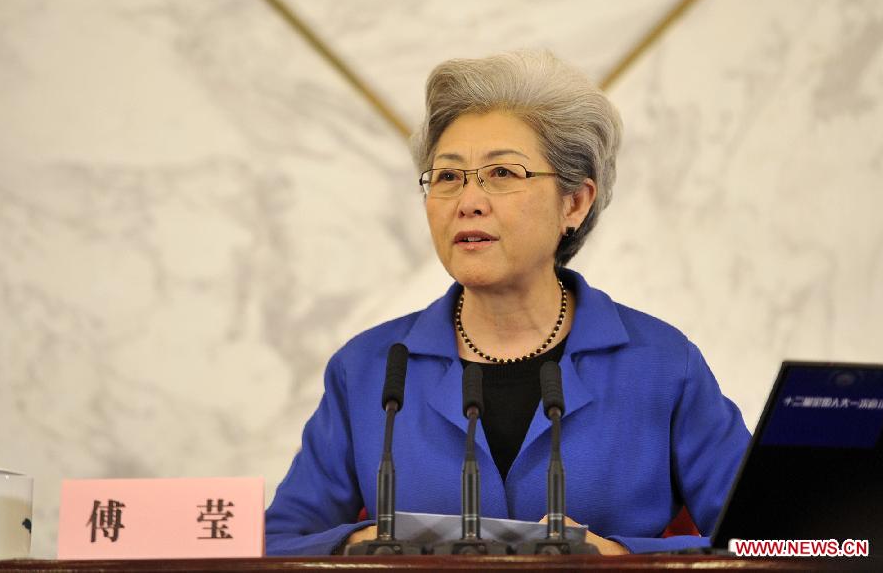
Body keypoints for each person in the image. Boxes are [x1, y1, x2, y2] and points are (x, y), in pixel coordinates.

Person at [265, 50, 750, 555]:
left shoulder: (661, 363)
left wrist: (625, 559)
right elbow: (274, 544)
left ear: (575, 203)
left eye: (502, 173)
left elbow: (774, 541)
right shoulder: (370, 369)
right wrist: (356, 543)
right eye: (448, 176)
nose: (468, 201)